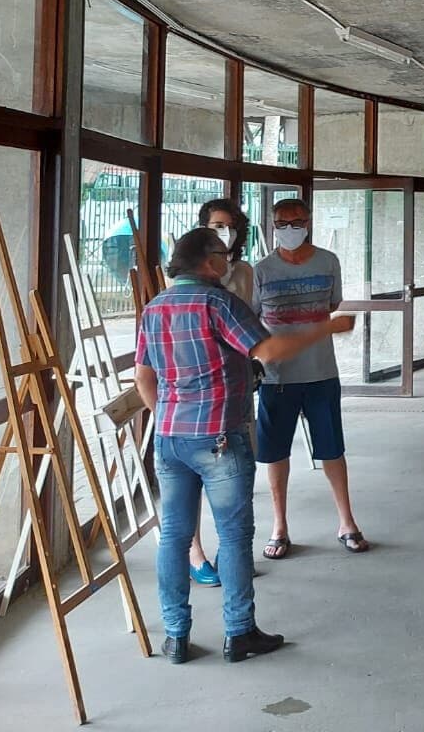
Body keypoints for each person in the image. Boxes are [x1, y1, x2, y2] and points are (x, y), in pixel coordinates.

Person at [133, 227, 355, 664]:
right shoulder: (219, 303)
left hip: (170, 438)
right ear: (208, 261)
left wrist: (171, 418)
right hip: (220, 436)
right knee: (234, 536)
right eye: (224, 255)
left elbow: (144, 378)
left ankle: (176, 635)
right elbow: (267, 352)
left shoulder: (154, 308)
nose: (229, 262)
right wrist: (324, 329)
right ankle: (239, 632)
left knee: (174, 537)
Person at [254, 196, 369, 557]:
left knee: (332, 448)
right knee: (276, 453)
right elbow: (252, 315)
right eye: (282, 224)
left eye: (297, 222)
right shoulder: (261, 270)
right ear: (273, 226)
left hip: (321, 372)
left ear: (308, 222)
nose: (290, 230)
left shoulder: (327, 261)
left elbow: (333, 304)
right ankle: (279, 526)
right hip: (277, 376)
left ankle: (347, 521)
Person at [184, 198, 255, 588]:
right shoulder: (183, 276)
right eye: (216, 225)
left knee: (236, 470)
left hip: (237, 384)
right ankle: (195, 552)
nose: (223, 232)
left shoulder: (244, 272)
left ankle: (233, 553)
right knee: (193, 473)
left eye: (229, 226)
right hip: (194, 389)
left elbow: (251, 319)